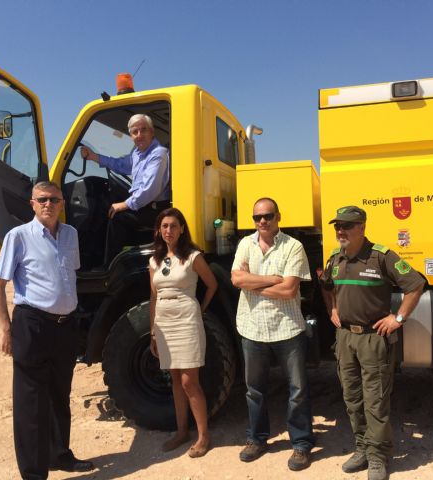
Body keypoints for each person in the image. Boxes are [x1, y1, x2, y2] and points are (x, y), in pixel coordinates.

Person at [0, 181, 94, 479]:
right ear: (32, 204)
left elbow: (68, 277)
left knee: (60, 395)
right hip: (32, 324)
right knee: (31, 402)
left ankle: (60, 455)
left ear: (62, 204)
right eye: (42, 199)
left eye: (54, 199)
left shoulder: (70, 235)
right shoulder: (18, 237)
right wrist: (6, 329)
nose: (48, 204)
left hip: (65, 327)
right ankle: (34, 473)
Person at [321, 206, 424, 480]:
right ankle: (362, 448)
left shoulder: (381, 257)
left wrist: (398, 318)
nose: (340, 231)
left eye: (347, 226)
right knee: (352, 398)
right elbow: (326, 285)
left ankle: (378, 457)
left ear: (362, 227)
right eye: (337, 226)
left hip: (373, 339)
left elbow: (415, 284)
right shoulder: (335, 257)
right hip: (345, 338)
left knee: (375, 401)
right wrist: (331, 308)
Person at [231, 197, 315, 471]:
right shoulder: (245, 244)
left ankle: (301, 444)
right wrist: (272, 280)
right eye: (257, 217)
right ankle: (257, 439)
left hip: (286, 327)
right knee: (254, 390)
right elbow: (235, 279)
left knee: (297, 390)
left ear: (279, 216)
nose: (262, 221)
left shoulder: (293, 246)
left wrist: (251, 283)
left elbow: (289, 290)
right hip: (253, 327)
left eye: (267, 216)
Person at [148, 208, 218, 458]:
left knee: (190, 381)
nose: (169, 231)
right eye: (164, 226)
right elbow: (153, 296)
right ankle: (181, 432)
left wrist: (200, 308)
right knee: (175, 380)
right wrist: (153, 332)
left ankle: (203, 436)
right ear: (159, 230)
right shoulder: (154, 261)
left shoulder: (192, 256)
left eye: (173, 226)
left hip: (186, 319)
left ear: (182, 229)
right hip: (164, 322)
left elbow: (212, 284)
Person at [81, 113, 171, 262]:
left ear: (152, 132)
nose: (139, 135)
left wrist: (124, 204)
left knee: (117, 217)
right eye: (135, 132)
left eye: (143, 130)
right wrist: (93, 156)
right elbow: (120, 164)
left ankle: (109, 267)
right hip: (145, 206)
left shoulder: (158, 154)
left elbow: (150, 190)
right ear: (131, 136)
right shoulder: (138, 154)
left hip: (156, 209)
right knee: (107, 211)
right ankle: (93, 258)